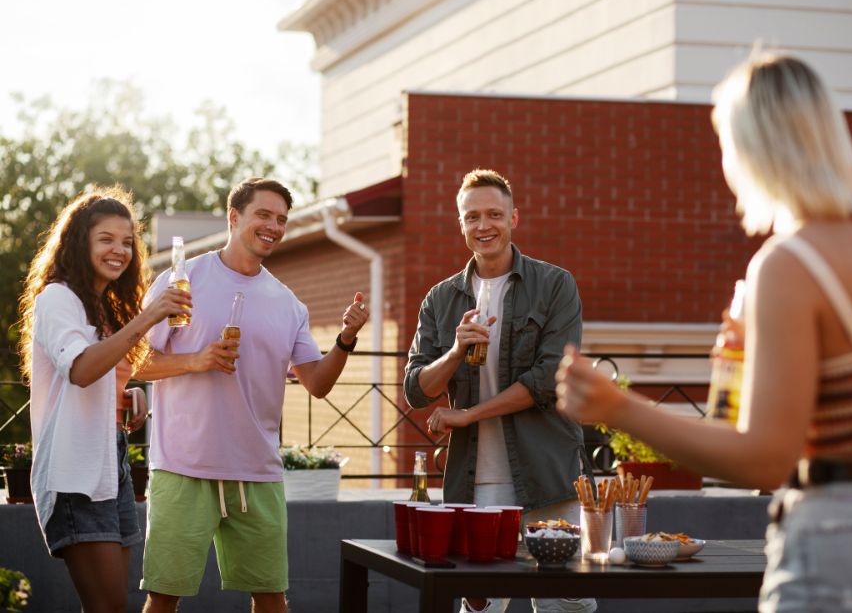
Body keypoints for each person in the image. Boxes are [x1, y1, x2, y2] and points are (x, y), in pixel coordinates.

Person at [556, 52, 852, 612]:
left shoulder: (789, 264)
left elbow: (762, 460)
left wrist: (615, 407)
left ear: (752, 149)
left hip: (850, 544)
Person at [136, 177, 369, 613]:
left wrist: (346, 339)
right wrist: (196, 360)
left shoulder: (287, 303)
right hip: (183, 464)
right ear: (234, 216)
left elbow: (317, 384)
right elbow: (135, 361)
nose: (274, 226)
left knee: (271, 597)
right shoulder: (183, 281)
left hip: (257, 472)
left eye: (281, 219)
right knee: (163, 597)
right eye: (263, 215)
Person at [404, 169, 595, 613]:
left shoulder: (554, 284)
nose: (483, 225)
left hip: (548, 475)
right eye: (472, 217)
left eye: (494, 214)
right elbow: (417, 389)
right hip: (476, 483)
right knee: (482, 605)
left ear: (514, 218)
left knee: (566, 601)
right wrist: (455, 350)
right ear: (461, 224)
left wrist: (468, 414)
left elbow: (548, 379)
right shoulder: (440, 298)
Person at [17, 187, 191, 613]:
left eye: (127, 241)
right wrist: (149, 316)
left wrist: (127, 396)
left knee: (108, 607)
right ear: (81, 242)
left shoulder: (100, 305)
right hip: (75, 473)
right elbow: (79, 369)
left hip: (109, 462)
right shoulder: (58, 297)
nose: (120, 250)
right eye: (107, 239)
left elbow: (98, 373)